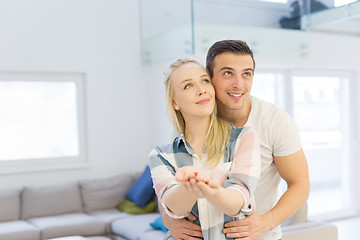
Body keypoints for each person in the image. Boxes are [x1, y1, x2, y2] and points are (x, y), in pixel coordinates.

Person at [161, 40, 310, 240]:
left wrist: (264, 224)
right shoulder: (190, 124)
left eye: (246, 74)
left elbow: (300, 185)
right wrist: (168, 218)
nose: (239, 84)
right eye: (228, 73)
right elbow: (166, 179)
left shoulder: (275, 122)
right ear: (210, 78)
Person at [148, 58, 261, 240]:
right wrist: (190, 185)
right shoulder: (160, 155)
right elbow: (174, 207)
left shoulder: (244, 138)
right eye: (188, 86)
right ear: (174, 103)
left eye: (204, 81)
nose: (201, 90)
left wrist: (209, 187)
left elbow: (239, 201)